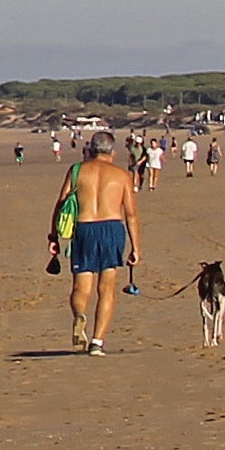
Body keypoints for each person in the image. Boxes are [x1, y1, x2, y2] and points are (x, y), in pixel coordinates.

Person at [59, 136, 140, 355]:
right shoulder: (122, 175)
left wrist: (53, 237)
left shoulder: (77, 171)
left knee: (80, 287)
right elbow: (131, 214)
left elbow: (61, 203)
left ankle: (79, 316)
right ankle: (97, 342)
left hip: (84, 228)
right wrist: (135, 248)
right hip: (111, 229)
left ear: (91, 150)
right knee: (106, 290)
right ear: (112, 152)